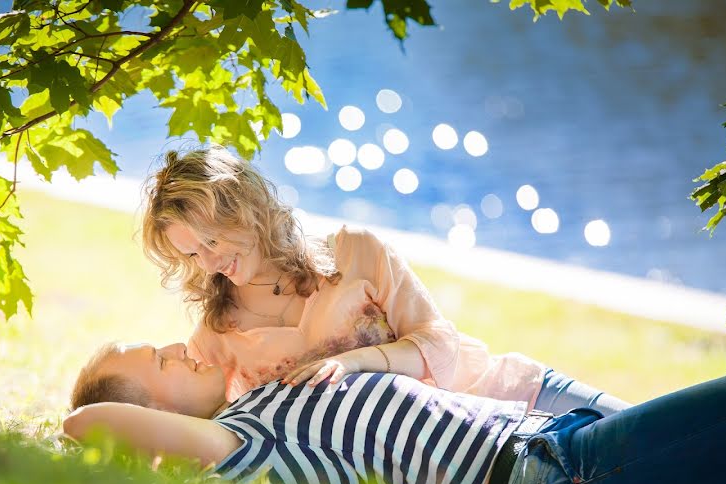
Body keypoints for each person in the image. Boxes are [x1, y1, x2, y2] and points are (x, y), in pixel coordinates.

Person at [64, 342, 726, 484]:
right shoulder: (240, 445)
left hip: (568, 466)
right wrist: (134, 428)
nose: (179, 349)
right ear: (153, 421)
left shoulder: (261, 401)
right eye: (161, 363)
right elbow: (85, 422)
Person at [139, 146, 629, 417]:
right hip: (469, 462)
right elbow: (176, 410)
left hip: (514, 392)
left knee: (678, 444)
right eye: (191, 254)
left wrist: (355, 362)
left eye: (211, 241)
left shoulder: (355, 251)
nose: (208, 263)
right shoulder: (220, 335)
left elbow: (440, 344)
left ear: (243, 210)